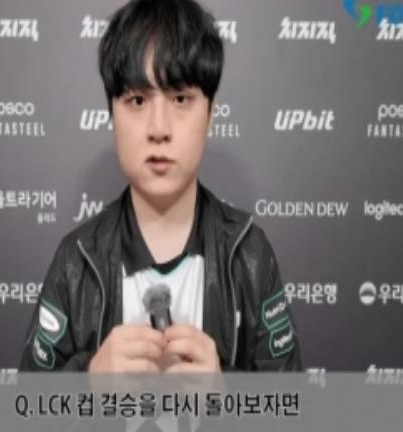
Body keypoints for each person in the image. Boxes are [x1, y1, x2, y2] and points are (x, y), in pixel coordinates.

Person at [20, 0, 303, 372]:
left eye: (180, 98)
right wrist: (87, 384)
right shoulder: (76, 260)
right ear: (111, 114)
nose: (159, 129)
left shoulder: (250, 254)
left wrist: (225, 393)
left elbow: (291, 402)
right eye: (137, 100)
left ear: (211, 114)